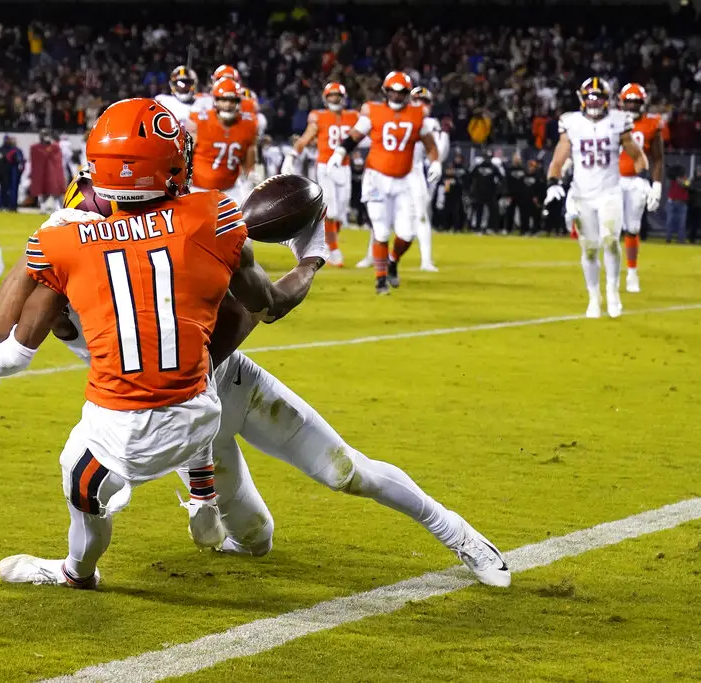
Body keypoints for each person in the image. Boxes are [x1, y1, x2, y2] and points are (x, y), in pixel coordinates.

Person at [34, 176, 512, 588]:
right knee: (256, 540)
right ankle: (86, 561)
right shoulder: (70, 293)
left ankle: (458, 533)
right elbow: (235, 324)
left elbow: (259, 303)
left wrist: (311, 256)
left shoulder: (160, 249)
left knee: (346, 470)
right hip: (182, 421)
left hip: (228, 384)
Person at [0, 99, 320, 589]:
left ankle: (80, 569)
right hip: (183, 381)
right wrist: (310, 256)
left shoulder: (66, 227)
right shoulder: (203, 213)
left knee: (83, 473)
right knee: (199, 343)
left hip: (112, 372)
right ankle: (202, 491)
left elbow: (26, 301)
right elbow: (262, 304)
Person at [330, 71, 442, 294]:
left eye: (401, 92)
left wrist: (436, 162)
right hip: (376, 179)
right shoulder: (374, 111)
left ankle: (392, 260)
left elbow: (430, 145)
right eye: (393, 91)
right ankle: (380, 280)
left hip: (404, 180)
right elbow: (354, 137)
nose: (397, 96)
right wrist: (340, 152)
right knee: (380, 231)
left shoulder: (418, 114)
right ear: (386, 91)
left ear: (408, 93)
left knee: (407, 234)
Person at [544, 77, 647, 319]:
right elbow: (559, 158)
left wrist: (647, 181)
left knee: (611, 240)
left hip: (610, 191)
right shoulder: (571, 122)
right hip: (582, 194)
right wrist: (552, 183)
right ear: (581, 98)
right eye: (590, 97)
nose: (594, 101)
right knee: (589, 249)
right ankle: (594, 297)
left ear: (607, 100)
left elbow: (637, 155)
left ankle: (612, 292)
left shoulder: (618, 121)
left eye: (598, 97)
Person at [283, 82, 358, 267]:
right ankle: (334, 251)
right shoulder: (319, 116)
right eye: (331, 96)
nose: (334, 99)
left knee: (340, 213)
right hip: (326, 166)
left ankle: (326, 244)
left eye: (337, 96)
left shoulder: (353, 116)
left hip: (345, 166)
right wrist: (292, 155)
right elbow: (306, 137)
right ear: (325, 98)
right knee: (331, 210)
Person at [617, 83, 664, 293]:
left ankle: (632, 273)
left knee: (632, 228)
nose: (632, 106)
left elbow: (658, 158)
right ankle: (612, 273)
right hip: (611, 180)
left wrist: (657, 186)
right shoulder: (611, 122)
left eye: (636, 102)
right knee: (609, 229)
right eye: (629, 101)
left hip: (636, 181)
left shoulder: (651, 124)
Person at [188, 78, 259, 205]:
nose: (227, 105)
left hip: (231, 190)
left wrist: (251, 172)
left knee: (245, 219)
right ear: (215, 101)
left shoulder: (249, 124)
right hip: (197, 188)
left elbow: (250, 149)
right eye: (223, 100)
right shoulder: (199, 121)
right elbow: (186, 154)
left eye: (232, 100)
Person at [407, 86, 446, 270]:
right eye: (417, 100)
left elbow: (438, 148)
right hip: (391, 173)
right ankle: (372, 257)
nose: (421, 104)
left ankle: (426, 260)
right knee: (382, 217)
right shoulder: (400, 116)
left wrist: (435, 163)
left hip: (415, 171)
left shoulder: (430, 123)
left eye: (425, 101)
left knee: (422, 215)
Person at [520, 159, 545, 235]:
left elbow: (540, 188)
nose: (531, 168)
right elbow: (521, 188)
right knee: (524, 215)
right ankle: (524, 230)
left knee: (535, 216)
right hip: (525, 199)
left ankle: (535, 230)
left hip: (534, 199)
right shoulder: (523, 176)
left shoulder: (538, 176)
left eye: (533, 166)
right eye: (530, 166)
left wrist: (537, 197)